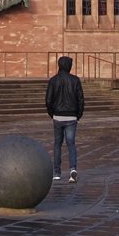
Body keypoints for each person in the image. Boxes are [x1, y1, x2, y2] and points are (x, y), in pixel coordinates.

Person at [45, 55, 85, 183]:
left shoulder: (53, 80)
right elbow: (80, 99)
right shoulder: (75, 80)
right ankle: (73, 169)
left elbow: (48, 100)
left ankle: (57, 172)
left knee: (57, 144)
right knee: (71, 143)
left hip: (58, 116)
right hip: (72, 116)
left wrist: (52, 114)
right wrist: (78, 114)